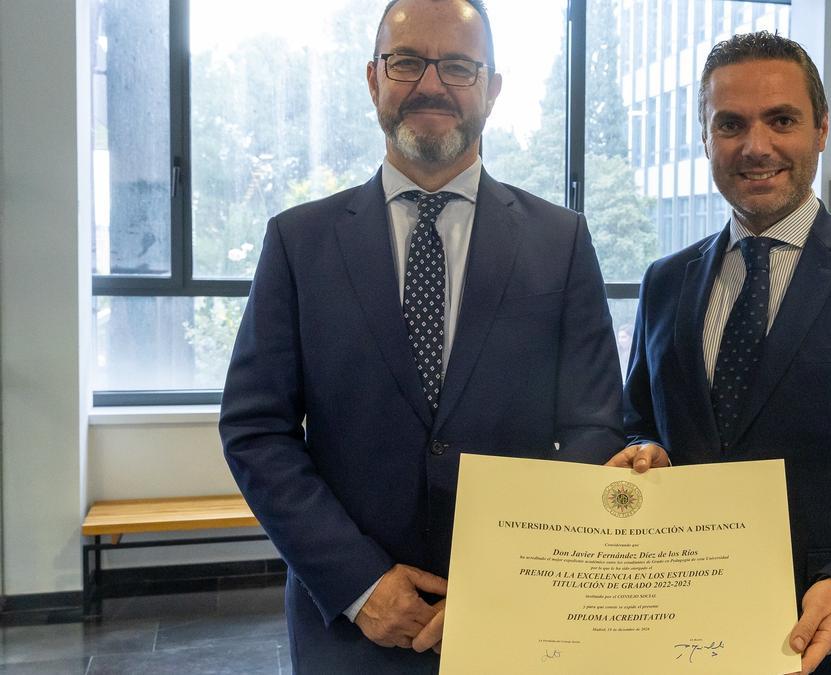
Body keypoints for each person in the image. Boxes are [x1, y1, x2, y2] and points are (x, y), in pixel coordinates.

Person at [219, 0, 623, 671]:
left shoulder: (561, 243)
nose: (432, 84)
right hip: (349, 628)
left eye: (460, 66)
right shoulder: (299, 242)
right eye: (407, 62)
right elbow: (256, 429)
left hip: (518, 623)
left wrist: (511, 575)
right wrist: (359, 583)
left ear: (492, 89)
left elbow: (595, 425)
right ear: (374, 78)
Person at [609, 32, 831, 674]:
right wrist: (643, 448)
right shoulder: (665, 283)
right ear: (705, 137)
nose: (756, 146)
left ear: (821, 129)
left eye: (781, 120)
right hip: (681, 633)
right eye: (730, 124)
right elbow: (639, 420)